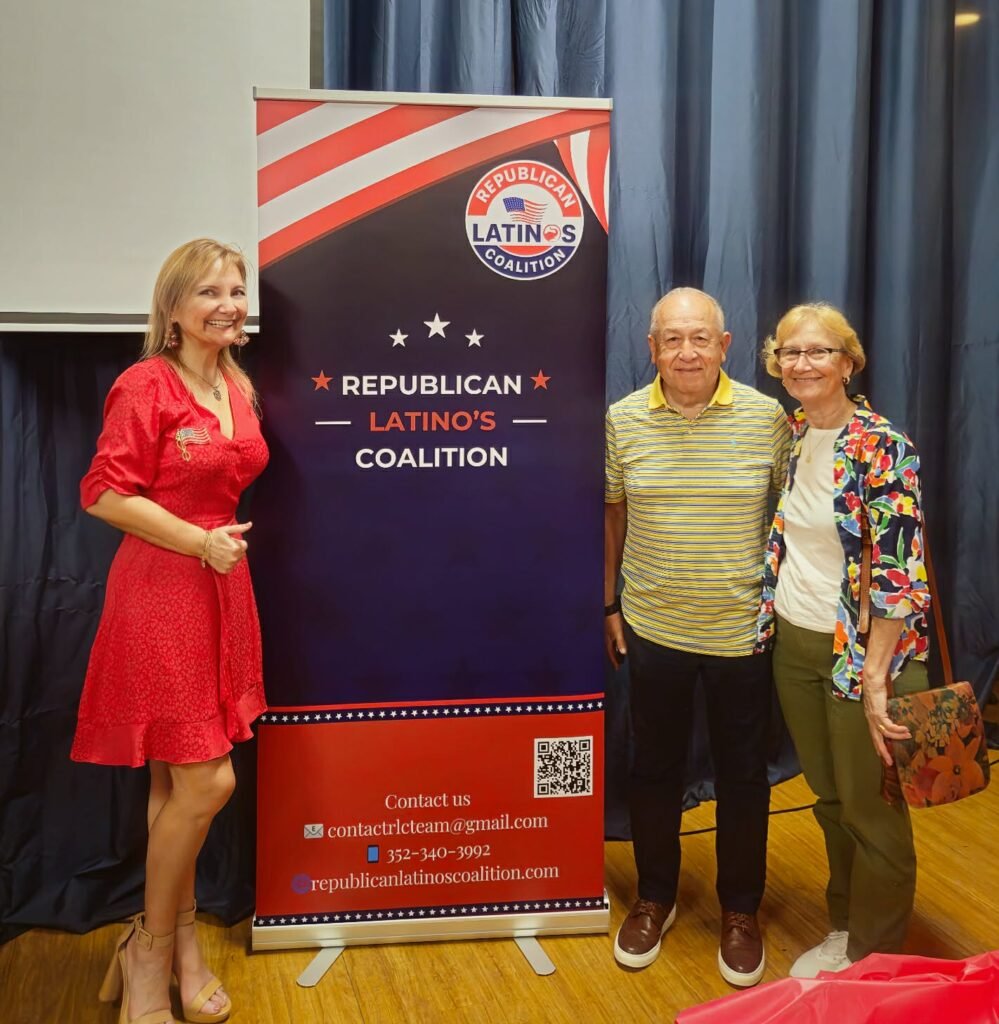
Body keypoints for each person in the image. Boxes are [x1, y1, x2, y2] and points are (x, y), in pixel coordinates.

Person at [72, 239, 269, 1024]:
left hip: (223, 589)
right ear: (174, 308)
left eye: (236, 290)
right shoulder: (144, 384)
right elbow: (102, 494)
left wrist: (215, 550)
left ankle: (179, 945)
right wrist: (198, 542)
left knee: (174, 787)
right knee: (208, 783)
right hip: (162, 590)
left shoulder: (234, 382)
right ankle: (150, 952)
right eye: (210, 292)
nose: (228, 304)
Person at [605, 287, 792, 986]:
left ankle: (740, 910)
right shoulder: (623, 419)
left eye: (700, 338)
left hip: (743, 632)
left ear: (725, 345)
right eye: (672, 339)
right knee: (653, 769)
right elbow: (613, 516)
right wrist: (607, 602)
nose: (687, 352)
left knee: (743, 776)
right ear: (651, 348)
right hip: (653, 626)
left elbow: (795, 517)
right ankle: (654, 897)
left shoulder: (767, 418)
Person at [756, 302, 930, 977]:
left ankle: (874, 957)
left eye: (818, 351)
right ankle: (845, 925)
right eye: (790, 352)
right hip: (795, 642)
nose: (802, 363)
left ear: (847, 362)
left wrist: (878, 677)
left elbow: (897, 574)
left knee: (869, 806)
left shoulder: (882, 445)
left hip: (863, 655)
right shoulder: (795, 433)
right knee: (829, 797)